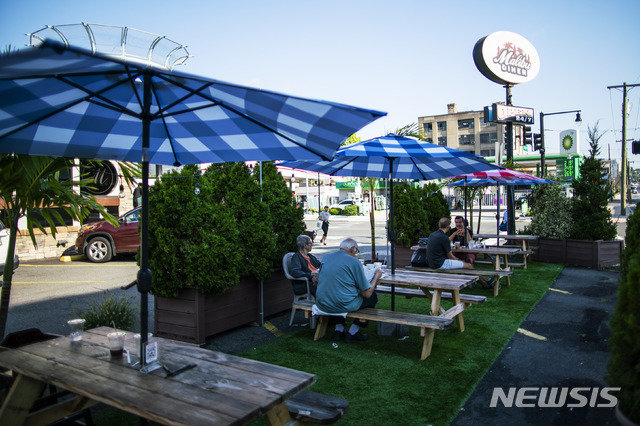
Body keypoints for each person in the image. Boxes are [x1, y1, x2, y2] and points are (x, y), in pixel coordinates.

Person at [316, 238, 383, 343]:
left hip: (322, 302)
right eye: (356, 250)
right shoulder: (354, 261)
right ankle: (353, 332)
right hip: (340, 303)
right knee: (372, 297)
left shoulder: (327, 257)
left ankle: (339, 330)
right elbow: (367, 293)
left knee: (338, 293)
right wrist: (376, 277)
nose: (356, 253)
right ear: (352, 248)